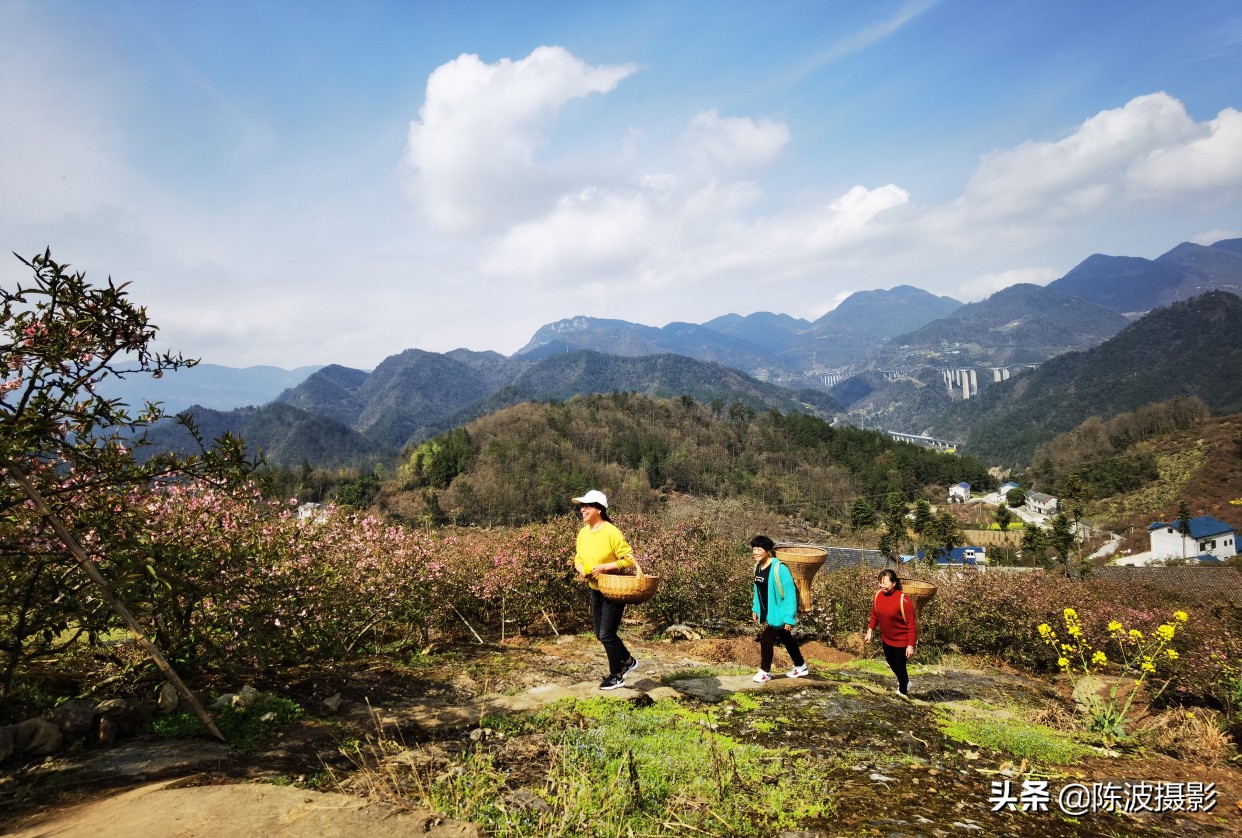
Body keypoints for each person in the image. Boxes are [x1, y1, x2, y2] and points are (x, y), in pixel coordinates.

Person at [572, 490, 639, 691]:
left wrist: (604, 567)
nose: (582, 510)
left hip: (613, 591)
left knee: (607, 634)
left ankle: (617, 676)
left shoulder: (612, 532)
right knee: (600, 634)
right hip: (596, 589)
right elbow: (578, 557)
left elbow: (628, 559)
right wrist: (580, 568)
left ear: (599, 510)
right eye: (582, 507)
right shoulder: (583, 533)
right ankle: (628, 661)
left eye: (587, 506)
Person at [749, 535, 808, 683]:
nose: (755, 552)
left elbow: (790, 595)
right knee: (786, 638)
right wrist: (756, 608)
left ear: (767, 550)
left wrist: (789, 618)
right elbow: (757, 590)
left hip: (780, 612)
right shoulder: (758, 567)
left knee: (766, 639)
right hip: (770, 611)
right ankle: (801, 666)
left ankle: (765, 672)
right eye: (754, 549)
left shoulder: (779, 568)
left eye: (759, 549)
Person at [865, 568, 917, 698]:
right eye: (880, 582)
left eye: (885, 583)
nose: (881, 586)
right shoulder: (878, 596)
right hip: (887, 639)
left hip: (902, 641)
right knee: (890, 661)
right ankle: (905, 682)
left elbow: (911, 625)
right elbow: (874, 615)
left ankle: (903, 691)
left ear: (894, 583)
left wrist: (910, 645)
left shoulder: (904, 601)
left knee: (900, 666)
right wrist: (870, 631)